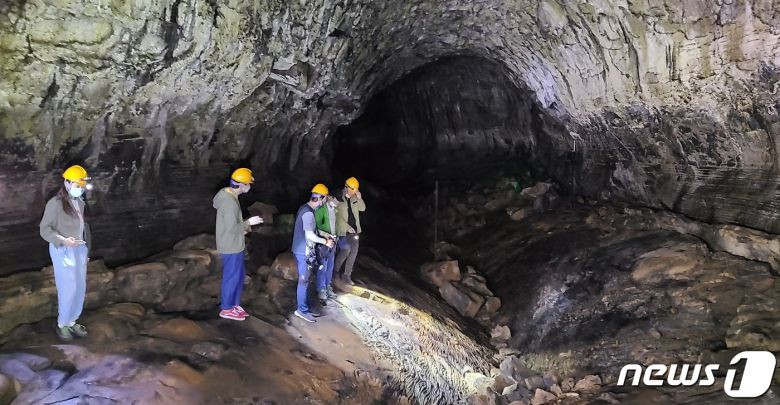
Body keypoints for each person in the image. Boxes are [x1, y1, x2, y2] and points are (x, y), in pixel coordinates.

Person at [40, 164, 94, 341]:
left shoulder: (79, 202)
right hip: (63, 250)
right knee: (68, 288)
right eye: (77, 185)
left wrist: (87, 250)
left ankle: (72, 321)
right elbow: (44, 230)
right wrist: (63, 240)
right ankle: (62, 323)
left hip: (79, 249)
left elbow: (84, 228)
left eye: (82, 186)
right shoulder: (55, 204)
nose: (80, 189)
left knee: (80, 287)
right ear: (67, 183)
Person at [213, 168, 263, 321]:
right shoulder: (229, 202)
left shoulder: (229, 195)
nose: (250, 186)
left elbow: (231, 225)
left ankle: (234, 304)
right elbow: (232, 228)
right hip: (230, 246)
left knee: (239, 276)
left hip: (235, 243)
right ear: (242, 185)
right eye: (248, 184)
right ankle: (226, 309)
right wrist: (249, 223)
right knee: (231, 277)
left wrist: (244, 229)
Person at [291, 184, 335, 323]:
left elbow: (311, 230)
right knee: (303, 281)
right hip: (302, 251)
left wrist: (325, 235)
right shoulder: (308, 213)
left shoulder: (305, 208)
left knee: (305, 281)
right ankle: (302, 311)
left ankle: (305, 308)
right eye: (325, 199)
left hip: (301, 249)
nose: (325, 201)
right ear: (320, 198)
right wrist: (325, 241)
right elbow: (309, 235)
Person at [334, 177, 366, 285]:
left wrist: (359, 198)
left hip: (354, 231)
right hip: (343, 231)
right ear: (346, 187)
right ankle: (335, 271)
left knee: (353, 253)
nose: (354, 191)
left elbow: (363, 208)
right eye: (353, 189)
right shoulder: (339, 198)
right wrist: (348, 227)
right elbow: (337, 216)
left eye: (356, 189)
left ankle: (347, 275)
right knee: (345, 251)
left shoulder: (355, 198)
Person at [314, 195, 339, 303]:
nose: (337, 202)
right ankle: (321, 289)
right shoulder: (321, 210)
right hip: (323, 242)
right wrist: (327, 236)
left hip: (332, 242)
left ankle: (328, 286)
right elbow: (316, 227)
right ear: (330, 197)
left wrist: (335, 236)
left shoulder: (335, 211)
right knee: (323, 267)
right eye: (336, 200)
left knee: (330, 266)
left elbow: (334, 226)